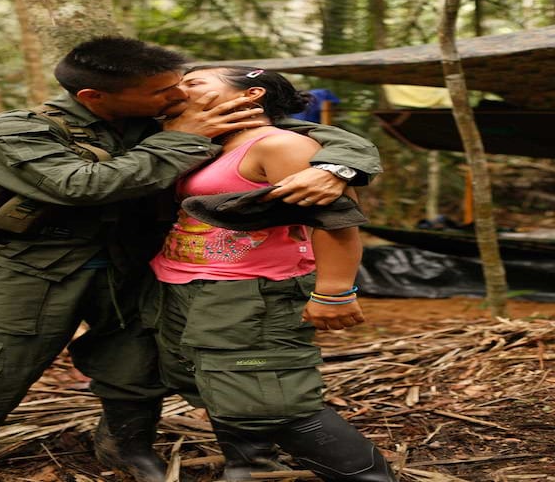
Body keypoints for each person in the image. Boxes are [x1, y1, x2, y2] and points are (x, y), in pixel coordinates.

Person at [0, 38, 383, 482]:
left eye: (181, 83)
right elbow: (81, 185)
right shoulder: (19, 130)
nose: (178, 94)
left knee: (134, 365)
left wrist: (336, 167)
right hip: (30, 270)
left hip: (135, 268)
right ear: (94, 96)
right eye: (164, 90)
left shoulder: (162, 117)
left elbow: (308, 133)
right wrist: (181, 138)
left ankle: (127, 446)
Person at [148, 66, 397, 481]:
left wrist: (334, 291)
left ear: (251, 95)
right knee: (220, 380)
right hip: (187, 283)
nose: (180, 89)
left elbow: (335, 221)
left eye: (194, 82)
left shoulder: (279, 145)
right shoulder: (203, 143)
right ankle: (249, 467)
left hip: (253, 291)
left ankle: (371, 478)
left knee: (276, 397)